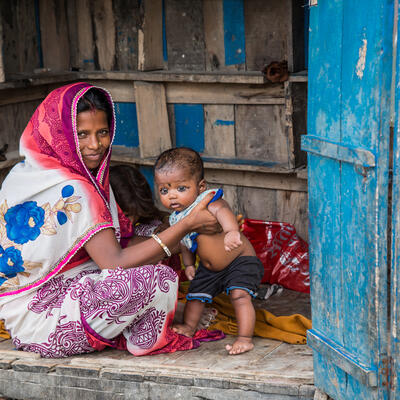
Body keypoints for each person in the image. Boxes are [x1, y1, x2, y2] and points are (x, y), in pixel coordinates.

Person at [0, 83, 221, 358]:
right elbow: (113, 263)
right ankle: (145, 340)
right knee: (160, 276)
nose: (95, 145)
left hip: (20, 320)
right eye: (82, 134)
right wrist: (185, 226)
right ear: (60, 134)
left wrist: (170, 235)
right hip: (52, 327)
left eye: (102, 132)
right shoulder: (76, 189)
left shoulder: (24, 175)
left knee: (152, 240)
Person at [154, 147, 264, 355]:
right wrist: (188, 264)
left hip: (239, 260)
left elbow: (223, 211)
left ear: (200, 186)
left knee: (240, 295)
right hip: (209, 269)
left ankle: (245, 338)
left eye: (181, 188)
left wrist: (232, 231)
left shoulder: (207, 200)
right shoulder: (176, 218)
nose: (172, 196)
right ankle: (189, 326)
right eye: (164, 190)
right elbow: (186, 242)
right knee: (194, 297)